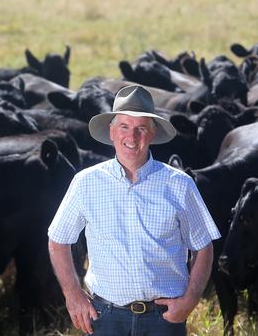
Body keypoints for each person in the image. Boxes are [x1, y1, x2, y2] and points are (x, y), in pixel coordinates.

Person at [48, 84, 221, 335]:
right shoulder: (86, 182)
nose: (132, 137)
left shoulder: (179, 184)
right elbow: (57, 240)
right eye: (124, 127)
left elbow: (203, 246)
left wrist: (190, 300)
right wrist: (73, 294)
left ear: (152, 134)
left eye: (141, 128)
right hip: (106, 316)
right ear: (111, 132)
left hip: (164, 318)